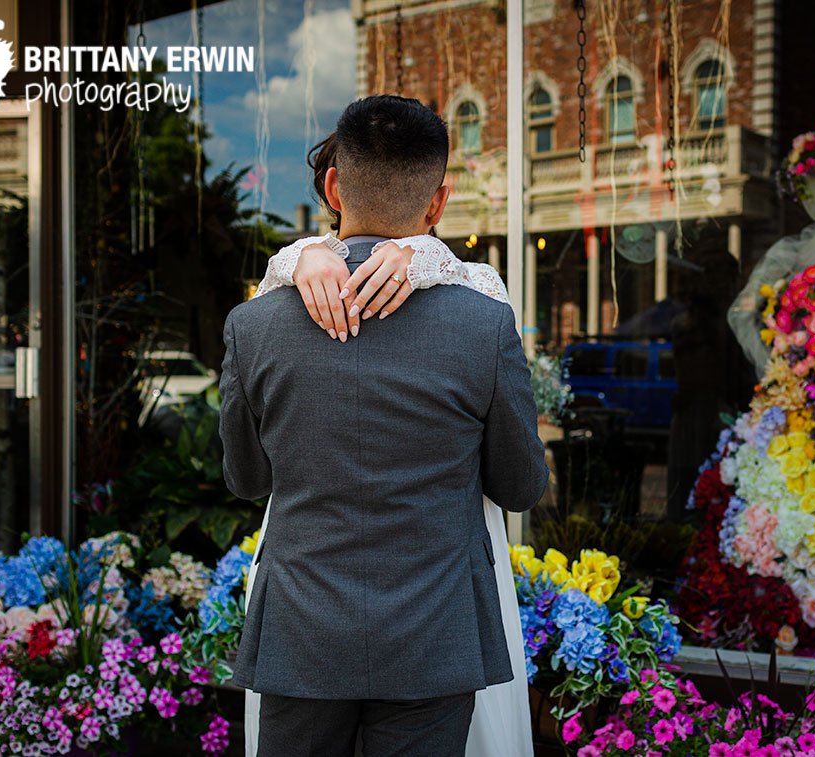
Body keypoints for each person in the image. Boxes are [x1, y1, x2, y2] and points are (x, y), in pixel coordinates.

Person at [219, 95, 548, 757]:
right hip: (432, 636)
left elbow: (247, 479)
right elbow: (519, 486)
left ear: (334, 186)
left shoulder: (252, 325)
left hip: (301, 634)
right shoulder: (484, 321)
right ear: (438, 200)